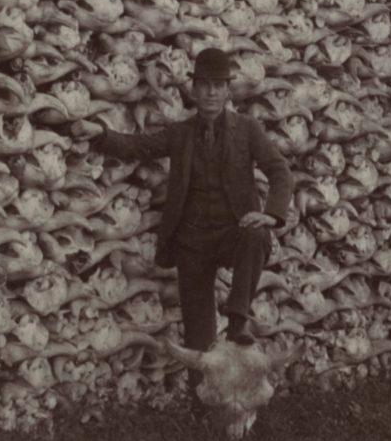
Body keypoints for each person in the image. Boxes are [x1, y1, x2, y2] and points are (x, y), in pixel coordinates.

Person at [88, 48, 295, 350]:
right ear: (194, 90)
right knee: (199, 337)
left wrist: (271, 213)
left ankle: (238, 320)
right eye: (205, 85)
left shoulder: (247, 129)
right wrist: (98, 134)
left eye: (218, 85)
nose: (211, 92)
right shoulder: (180, 133)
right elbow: (138, 146)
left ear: (227, 90)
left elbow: (280, 172)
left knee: (258, 235)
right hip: (192, 241)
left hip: (231, 232)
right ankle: (202, 396)